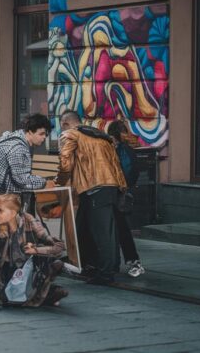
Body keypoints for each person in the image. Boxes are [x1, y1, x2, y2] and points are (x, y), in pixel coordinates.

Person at [55, 110, 126, 285]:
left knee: (102, 232)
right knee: (85, 227)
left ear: (65, 123)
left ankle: (105, 273)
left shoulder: (70, 135)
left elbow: (65, 161)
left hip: (94, 187)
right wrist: (121, 187)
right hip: (108, 186)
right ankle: (90, 265)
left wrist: (59, 182)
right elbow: (115, 163)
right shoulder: (100, 136)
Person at [0, 194, 67, 310]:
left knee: (56, 266)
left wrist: (36, 249)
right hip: (7, 272)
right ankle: (45, 295)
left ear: (12, 213)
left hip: (29, 270)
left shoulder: (29, 220)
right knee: (10, 300)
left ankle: (45, 293)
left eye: (0, 211)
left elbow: (59, 246)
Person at [0, 114, 54, 216]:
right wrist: (44, 183)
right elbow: (21, 179)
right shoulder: (18, 148)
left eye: (45, 135)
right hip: (0, 197)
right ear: (29, 131)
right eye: (41, 134)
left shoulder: (13, 138)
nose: (43, 138)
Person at [107, 121, 144, 278]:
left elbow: (126, 172)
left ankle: (131, 260)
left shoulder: (119, 150)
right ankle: (130, 260)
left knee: (120, 228)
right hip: (121, 193)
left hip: (116, 193)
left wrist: (120, 187)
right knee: (121, 229)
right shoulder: (128, 149)